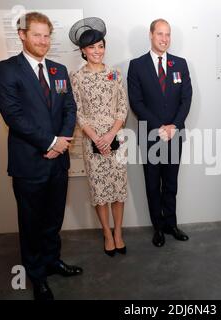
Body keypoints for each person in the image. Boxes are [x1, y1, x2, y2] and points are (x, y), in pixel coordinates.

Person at [0, 12, 82, 300]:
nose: (43, 41)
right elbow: (14, 116)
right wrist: (51, 141)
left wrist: (63, 141)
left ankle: (53, 261)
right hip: (29, 163)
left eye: (47, 35)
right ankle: (37, 275)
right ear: (22, 35)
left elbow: (70, 107)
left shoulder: (58, 70)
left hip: (59, 160)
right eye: (37, 35)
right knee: (31, 223)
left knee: (53, 219)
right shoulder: (5, 70)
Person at [127, 19, 192, 247]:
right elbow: (136, 102)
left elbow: (186, 98)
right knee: (153, 184)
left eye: (168, 34)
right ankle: (158, 228)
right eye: (160, 34)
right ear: (151, 35)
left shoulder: (180, 64)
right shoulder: (137, 66)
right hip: (151, 136)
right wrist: (159, 126)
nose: (164, 39)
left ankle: (171, 224)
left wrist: (173, 125)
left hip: (175, 135)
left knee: (171, 183)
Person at [69, 18, 128, 256]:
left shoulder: (115, 74)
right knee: (100, 191)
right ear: (83, 51)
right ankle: (106, 232)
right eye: (92, 47)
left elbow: (122, 107)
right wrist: (96, 137)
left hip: (117, 137)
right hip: (91, 140)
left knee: (118, 189)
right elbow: (77, 112)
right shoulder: (77, 77)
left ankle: (118, 233)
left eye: (100, 46)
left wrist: (111, 133)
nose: (97, 51)